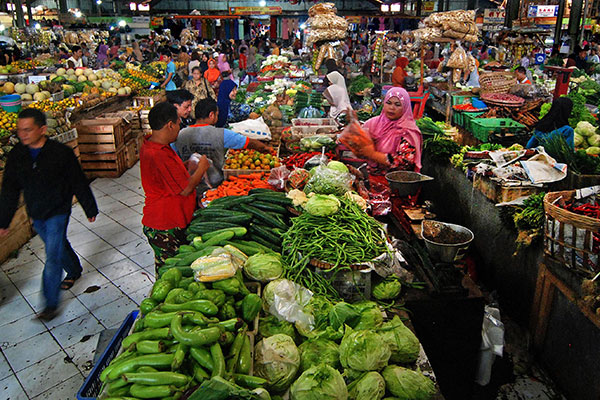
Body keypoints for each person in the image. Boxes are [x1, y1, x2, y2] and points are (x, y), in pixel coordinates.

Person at [0, 109, 98, 321]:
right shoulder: (18, 155)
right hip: (36, 212)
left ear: (42, 129)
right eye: (20, 130)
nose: (23, 134)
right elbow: (10, 188)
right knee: (58, 244)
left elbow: (77, 180)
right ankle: (74, 269)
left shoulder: (60, 153)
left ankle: (49, 305)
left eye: (28, 130)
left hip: (58, 210)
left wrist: (90, 207)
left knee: (52, 255)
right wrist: (4, 220)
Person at [140, 102, 210, 271]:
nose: (180, 128)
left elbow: (167, 175)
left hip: (171, 218)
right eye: (179, 123)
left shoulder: (155, 145)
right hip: (165, 224)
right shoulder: (157, 154)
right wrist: (202, 167)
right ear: (170, 125)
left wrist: (187, 165)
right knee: (171, 271)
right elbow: (186, 189)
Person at [175, 98, 272, 193]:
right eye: (217, 115)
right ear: (211, 115)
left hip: (188, 185)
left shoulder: (180, 134)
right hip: (215, 186)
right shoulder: (221, 133)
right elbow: (249, 143)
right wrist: (265, 148)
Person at [343, 87, 423, 175]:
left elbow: (404, 163)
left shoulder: (408, 131)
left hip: (395, 180)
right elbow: (359, 147)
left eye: (397, 105)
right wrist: (353, 124)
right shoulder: (373, 123)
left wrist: (373, 154)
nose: (392, 108)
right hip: (371, 176)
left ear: (405, 107)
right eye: (388, 103)